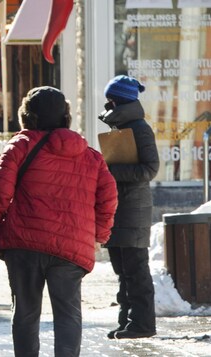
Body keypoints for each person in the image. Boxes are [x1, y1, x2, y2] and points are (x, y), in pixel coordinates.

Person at [0, 86, 119, 357]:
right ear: (65, 116)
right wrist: (98, 235)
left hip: (24, 244)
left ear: (27, 116)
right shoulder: (90, 155)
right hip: (70, 248)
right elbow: (108, 198)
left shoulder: (20, 146)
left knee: (25, 313)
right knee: (69, 315)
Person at [99, 75, 159, 339]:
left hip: (133, 210)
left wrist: (110, 170)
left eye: (111, 100)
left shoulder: (139, 128)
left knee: (136, 270)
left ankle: (143, 324)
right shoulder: (120, 127)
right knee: (122, 270)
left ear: (120, 100)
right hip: (117, 209)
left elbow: (150, 168)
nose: (108, 104)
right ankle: (127, 321)